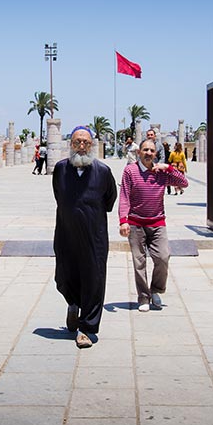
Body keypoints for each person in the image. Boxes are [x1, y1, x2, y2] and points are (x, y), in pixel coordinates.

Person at [52, 126, 118, 349]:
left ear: (92, 145)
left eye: (86, 143)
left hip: (94, 237)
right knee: (65, 273)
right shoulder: (60, 169)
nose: (81, 146)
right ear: (70, 144)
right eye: (77, 142)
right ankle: (73, 303)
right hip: (66, 233)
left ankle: (87, 329)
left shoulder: (103, 171)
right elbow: (59, 196)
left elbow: (110, 200)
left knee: (94, 278)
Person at [119, 138, 188, 312]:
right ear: (138, 152)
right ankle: (143, 297)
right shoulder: (130, 171)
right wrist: (123, 221)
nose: (148, 153)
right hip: (136, 224)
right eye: (145, 150)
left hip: (157, 223)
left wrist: (168, 168)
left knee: (163, 257)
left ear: (155, 154)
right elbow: (124, 197)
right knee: (139, 262)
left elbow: (183, 183)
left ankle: (156, 290)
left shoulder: (161, 172)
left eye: (151, 151)